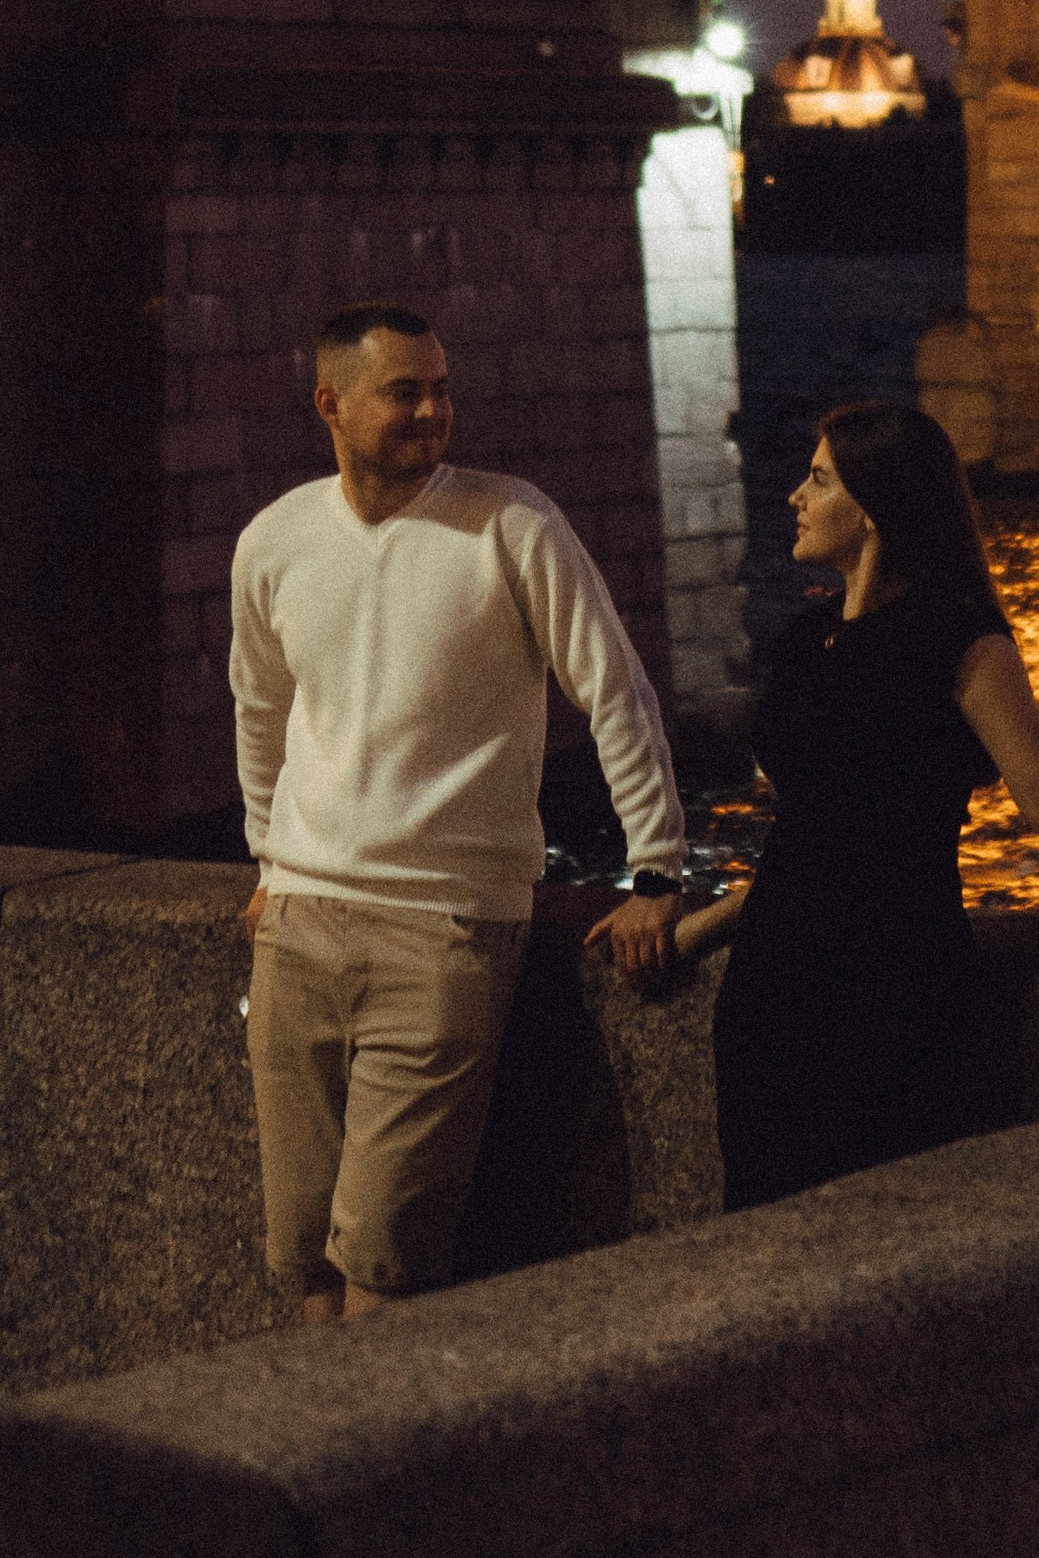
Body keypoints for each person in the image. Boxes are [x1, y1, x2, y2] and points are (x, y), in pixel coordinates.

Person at [592, 398, 1039, 1207]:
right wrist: (690, 932)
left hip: (891, 985)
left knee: (880, 1234)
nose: (794, 495)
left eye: (818, 479)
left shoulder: (958, 640)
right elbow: (808, 846)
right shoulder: (801, 647)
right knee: (765, 1230)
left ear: (873, 507)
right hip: (771, 995)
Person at [231, 304, 687, 1318]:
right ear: (331, 405)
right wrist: (269, 863)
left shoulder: (512, 524)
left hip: (447, 929)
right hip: (299, 926)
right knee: (300, 1254)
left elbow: (615, 693)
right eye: (405, 391)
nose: (434, 410)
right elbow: (258, 713)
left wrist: (656, 871)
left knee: (385, 1261)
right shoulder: (274, 542)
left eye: (441, 387)